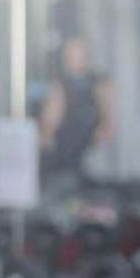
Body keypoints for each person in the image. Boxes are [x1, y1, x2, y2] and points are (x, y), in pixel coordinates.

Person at [37, 36, 114, 188]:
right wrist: (46, 135)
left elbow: (107, 116)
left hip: (89, 146)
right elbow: (50, 119)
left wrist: (105, 127)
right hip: (65, 147)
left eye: (80, 55)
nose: (76, 61)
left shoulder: (99, 83)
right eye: (71, 56)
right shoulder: (60, 85)